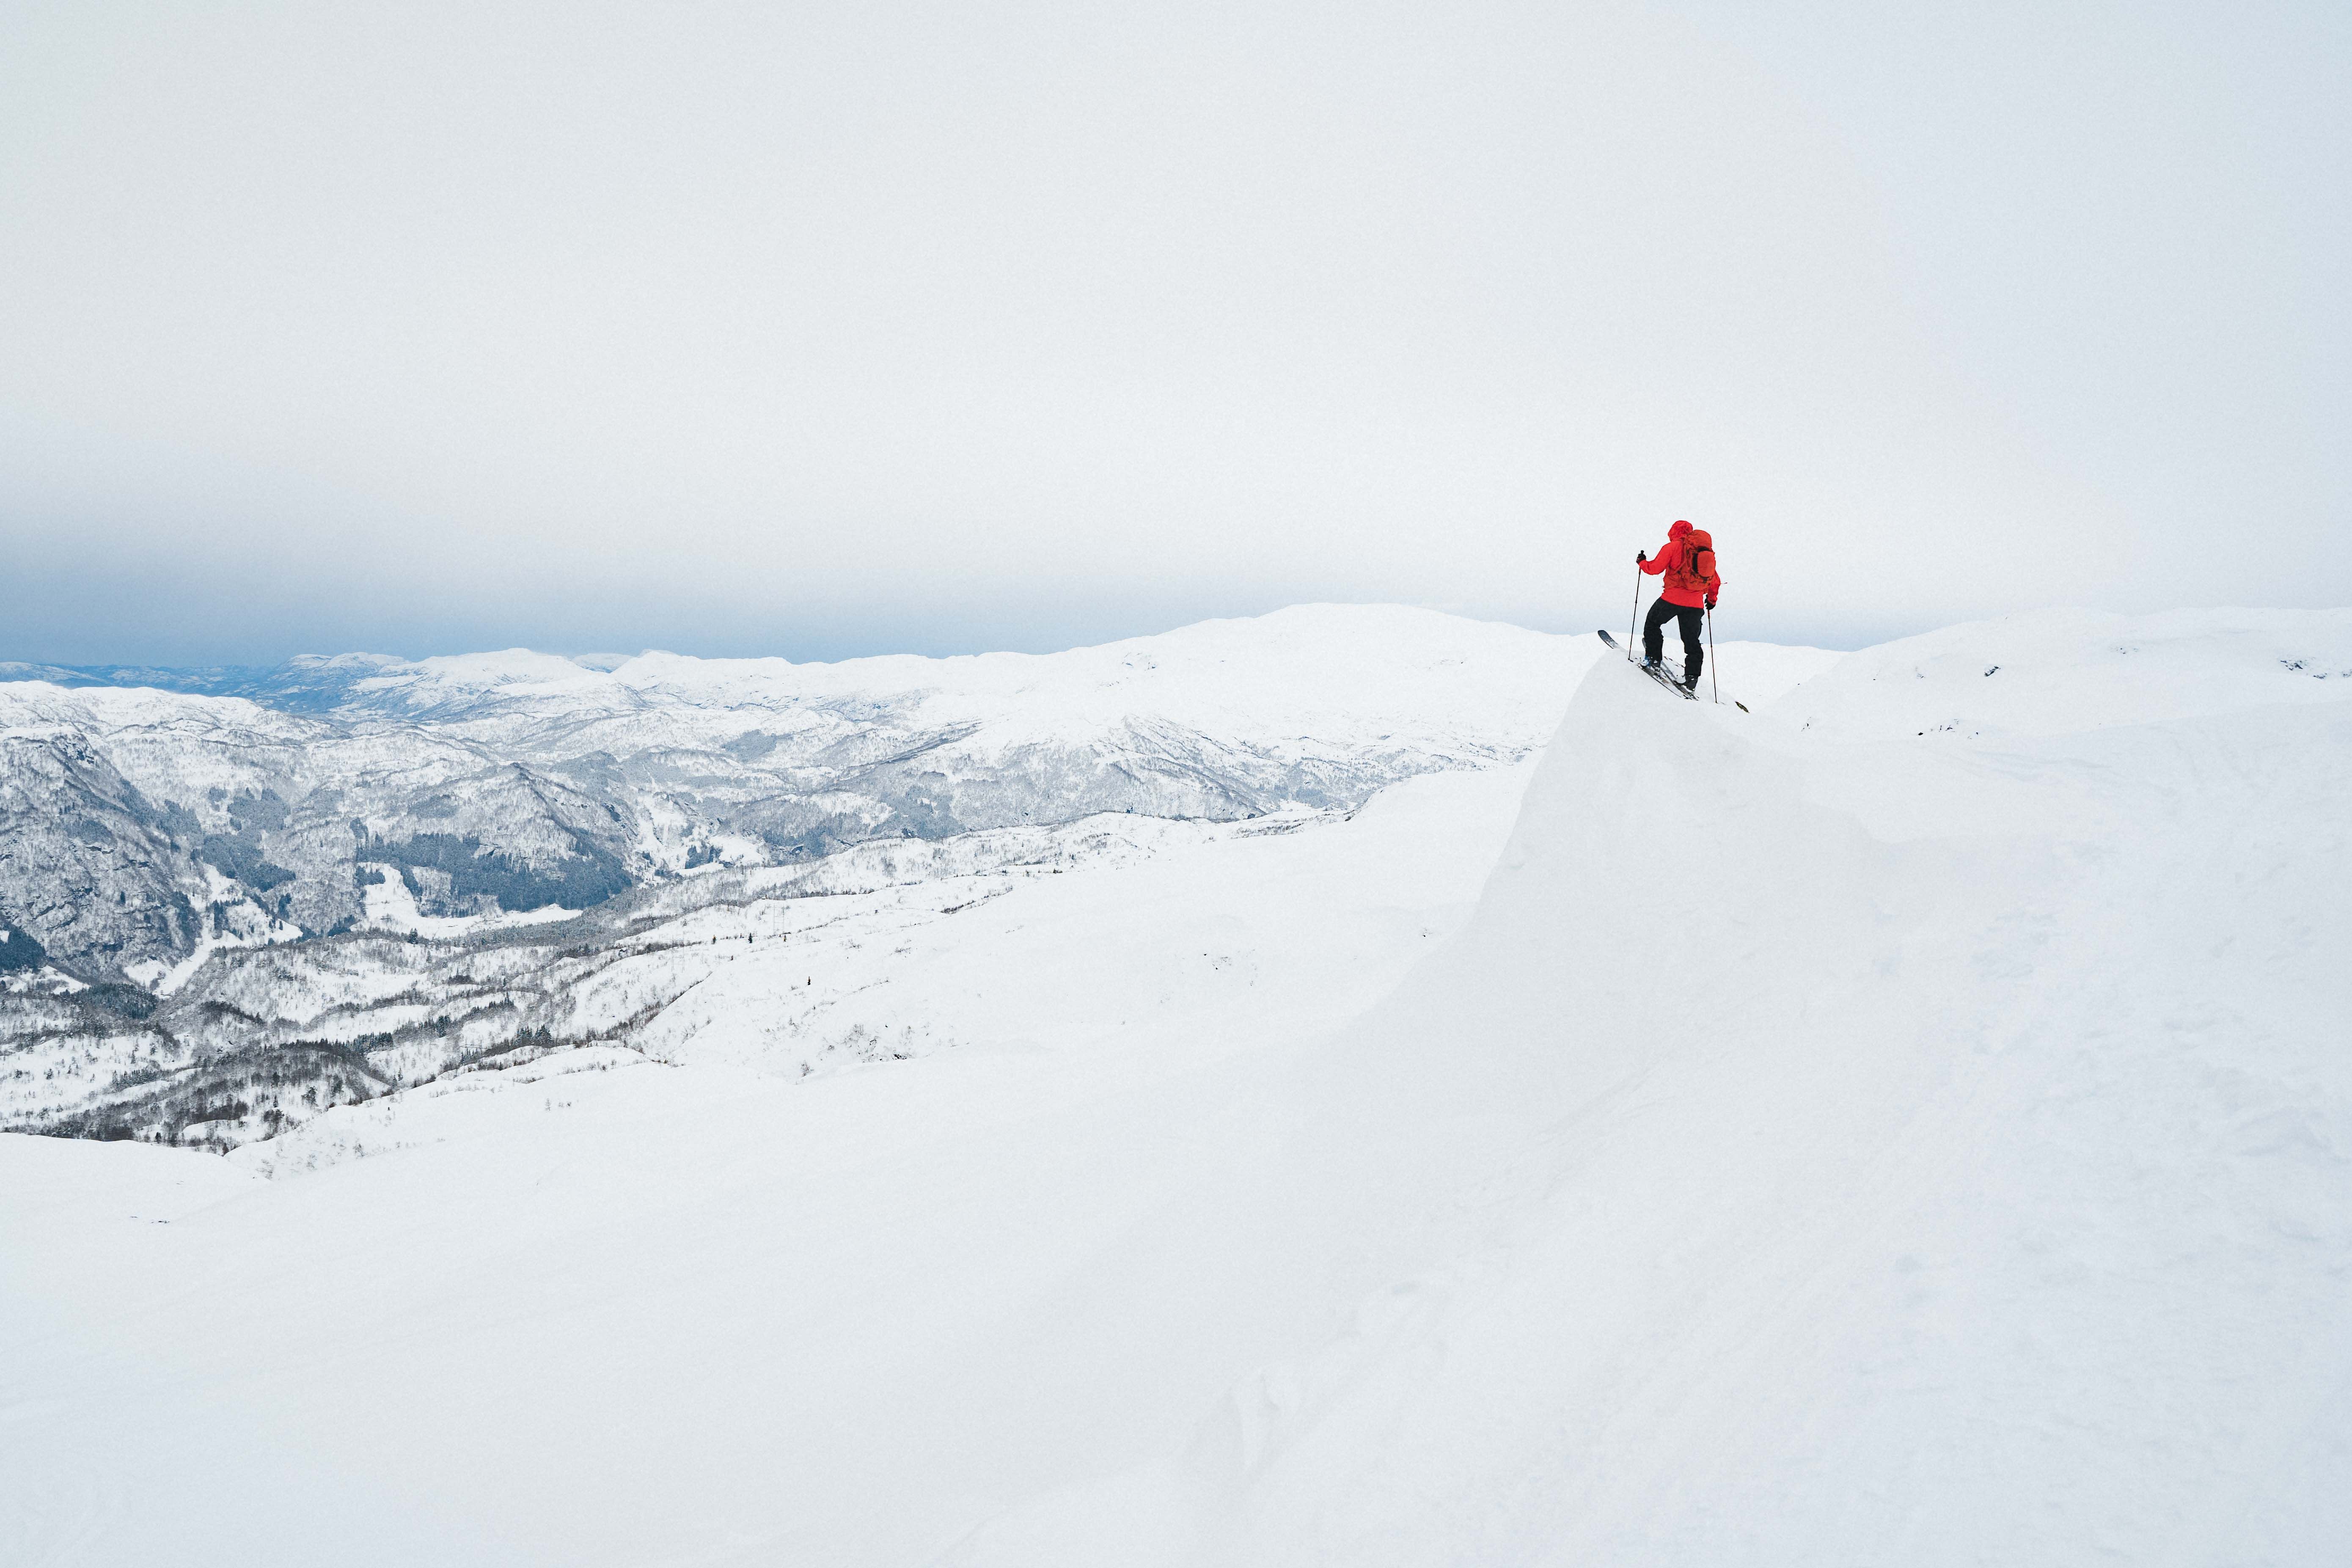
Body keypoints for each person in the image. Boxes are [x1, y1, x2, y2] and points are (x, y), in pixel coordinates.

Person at [1637, 520, 1721, 690]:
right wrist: (1712, 600)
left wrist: (1642, 562)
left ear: (1673, 532)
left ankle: (1653, 659)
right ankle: (1691, 678)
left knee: (1653, 624)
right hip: (1696, 604)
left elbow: (1654, 569)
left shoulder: (1673, 547)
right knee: (1692, 640)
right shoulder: (1702, 553)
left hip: (1672, 599)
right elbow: (1715, 581)